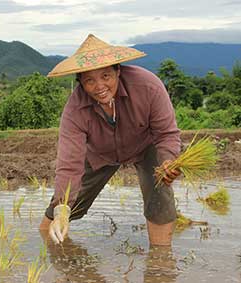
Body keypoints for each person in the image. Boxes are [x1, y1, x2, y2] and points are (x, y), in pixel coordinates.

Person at [39, 34, 181, 246]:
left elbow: (166, 134)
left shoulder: (148, 86)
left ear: (118, 71)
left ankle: (160, 264)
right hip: (100, 153)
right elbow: (69, 164)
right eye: (89, 80)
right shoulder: (75, 109)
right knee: (63, 207)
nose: (99, 86)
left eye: (106, 76)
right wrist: (61, 208)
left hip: (146, 145)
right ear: (80, 83)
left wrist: (169, 161)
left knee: (160, 196)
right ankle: (50, 247)